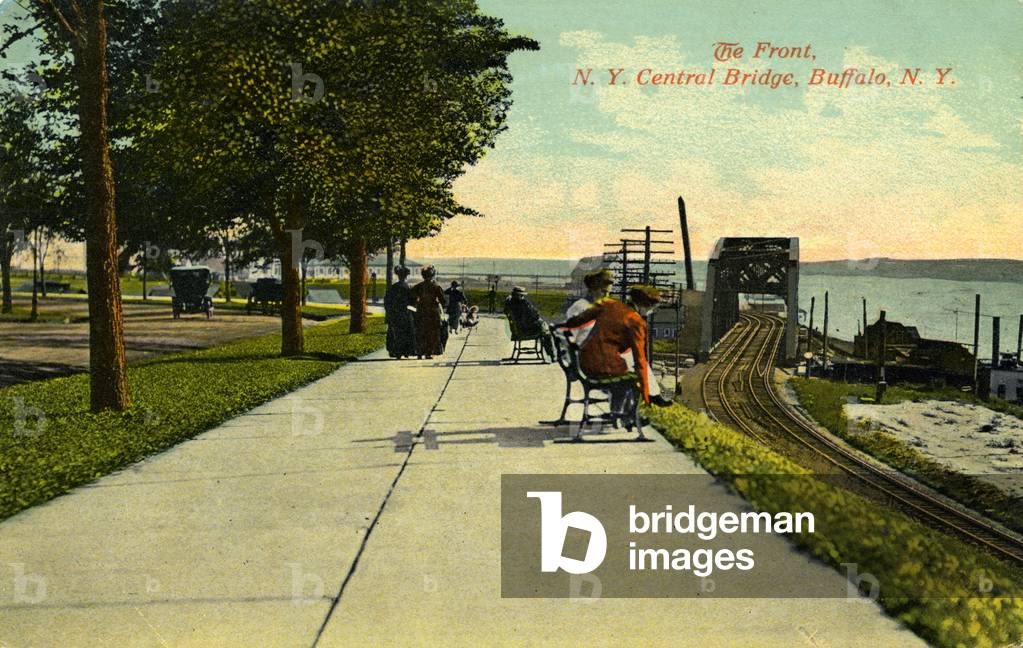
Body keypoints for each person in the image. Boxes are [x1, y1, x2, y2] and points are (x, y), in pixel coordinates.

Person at [558, 284, 671, 408]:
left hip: (584, 361)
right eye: (652, 308)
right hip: (602, 367)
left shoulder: (608, 304)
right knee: (632, 375)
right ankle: (625, 413)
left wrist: (559, 327)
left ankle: (647, 398)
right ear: (645, 306)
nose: (651, 312)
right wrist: (645, 393)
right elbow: (640, 360)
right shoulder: (636, 322)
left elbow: (577, 321)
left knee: (627, 359)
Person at [564, 268, 616, 347]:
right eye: (603, 291)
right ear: (592, 289)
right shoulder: (579, 307)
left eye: (608, 293)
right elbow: (571, 342)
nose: (606, 296)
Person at [503, 286, 555, 360]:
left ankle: (551, 353)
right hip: (526, 331)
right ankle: (552, 355)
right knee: (545, 331)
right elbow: (535, 315)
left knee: (544, 328)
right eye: (522, 295)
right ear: (519, 295)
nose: (523, 296)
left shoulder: (510, 303)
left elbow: (505, 310)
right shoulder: (524, 303)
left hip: (517, 331)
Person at [410, 265, 447, 359]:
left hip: (421, 311)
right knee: (432, 333)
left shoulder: (418, 287)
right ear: (433, 275)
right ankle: (428, 353)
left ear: (423, 276)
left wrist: (417, 303)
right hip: (433, 313)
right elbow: (444, 301)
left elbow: (411, 299)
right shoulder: (436, 287)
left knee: (421, 331)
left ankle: (419, 352)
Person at [383, 266, 416, 358]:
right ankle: (406, 351)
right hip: (405, 313)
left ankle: (395, 351)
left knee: (395, 333)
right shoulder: (408, 288)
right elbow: (412, 301)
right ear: (406, 276)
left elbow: (387, 301)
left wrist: (389, 312)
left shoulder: (392, 288)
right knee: (407, 332)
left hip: (394, 314)